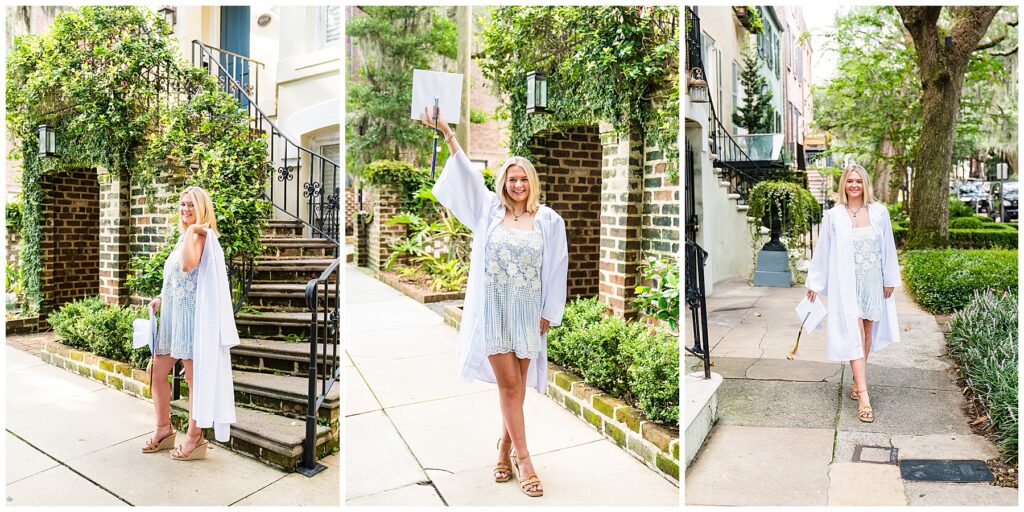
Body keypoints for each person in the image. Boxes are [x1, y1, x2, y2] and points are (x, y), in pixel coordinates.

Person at [420, 107, 568, 497]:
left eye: (523, 179)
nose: (517, 185)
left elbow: (556, 269)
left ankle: (502, 447)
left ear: (532, 183)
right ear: (502, 183)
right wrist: (448, 133)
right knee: (507, 384)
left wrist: (549, 314)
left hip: (528, 313)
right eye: (511, 178)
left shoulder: (549, 221)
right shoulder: (488, 211)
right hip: (494, 311)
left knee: (516, 387)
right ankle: (525, 460)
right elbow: (466, 175)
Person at [142, 186, 239, 460]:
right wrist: (162, 298)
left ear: (202, 209)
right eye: (183, 204)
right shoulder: (186, 236)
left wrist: (193, 230)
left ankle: (195, 437)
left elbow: (187, 265)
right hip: (173, 316)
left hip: (191, 320)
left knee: (194, 381)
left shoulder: (199, 236)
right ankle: (163, 429)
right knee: (157, 373)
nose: (185, 209)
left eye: (191, 205)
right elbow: (180, 278)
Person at [805, 163, 900, 423]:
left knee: (866, 332)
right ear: (843, 185)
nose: (854, 185)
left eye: (858, 181)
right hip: (846, 283)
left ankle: (858, 382)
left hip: (872, 280)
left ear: (865, 184)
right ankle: (865, 397)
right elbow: (823, 250)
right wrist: (814, 282)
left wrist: (890, 278)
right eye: (850, 181)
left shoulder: (879, 212)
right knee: (855, 331)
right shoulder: (833, 216)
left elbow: (888, 247)